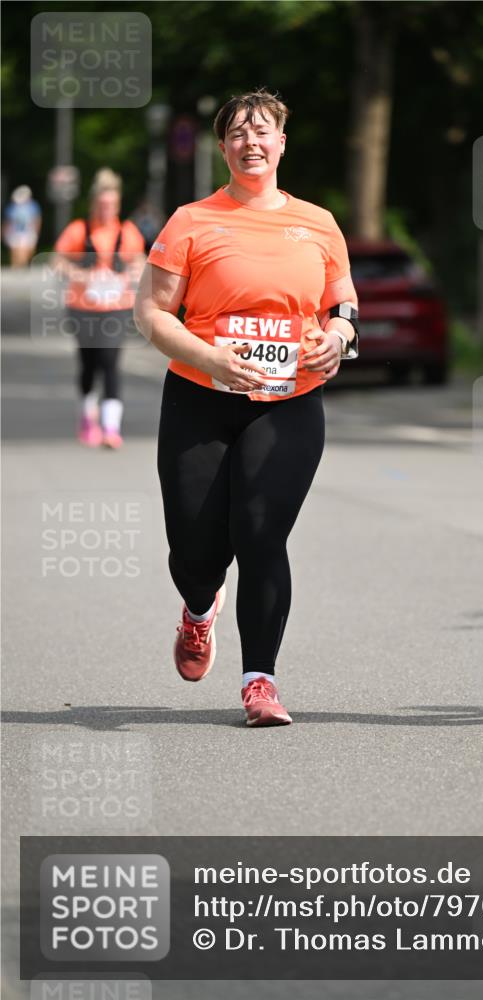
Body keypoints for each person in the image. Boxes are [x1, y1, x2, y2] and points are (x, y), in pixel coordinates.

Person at [134, 89, 359, 727]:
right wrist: (210, 359)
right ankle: (199, 609)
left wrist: (338, 338)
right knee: (194, 548)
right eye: (237, 134)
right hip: (200, 399)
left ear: (282, 143)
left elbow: (342, 306)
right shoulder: (191, 221)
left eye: (262, 133)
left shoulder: (317, 222)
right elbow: (150, 312)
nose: (250, 143)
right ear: (222, 146)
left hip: (289, 402)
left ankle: (260, 680)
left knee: (261, 535)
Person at [55, 169, 145, 448]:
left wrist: (130, 274)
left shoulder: (127, 232)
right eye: (102, 205)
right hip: (83, 307)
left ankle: (110, 427)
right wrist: (78, 275)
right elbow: (58, 261)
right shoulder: (78, 230)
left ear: (117, 206)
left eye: (112, 205)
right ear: (94, 203)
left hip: (116, 307)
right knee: (89, 364)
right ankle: (87, 416)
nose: (107, 210)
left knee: (110, 361)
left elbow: (140, 262)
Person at [3, 185, 41, 267]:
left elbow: (37, 220)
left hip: (28, 232)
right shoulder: (12, 207)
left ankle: (21, 267)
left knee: (27, 251)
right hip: (15, 233)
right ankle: (17, 268)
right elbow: (8, 221)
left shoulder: (33, 206)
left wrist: (36, 231)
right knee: (16, 251)